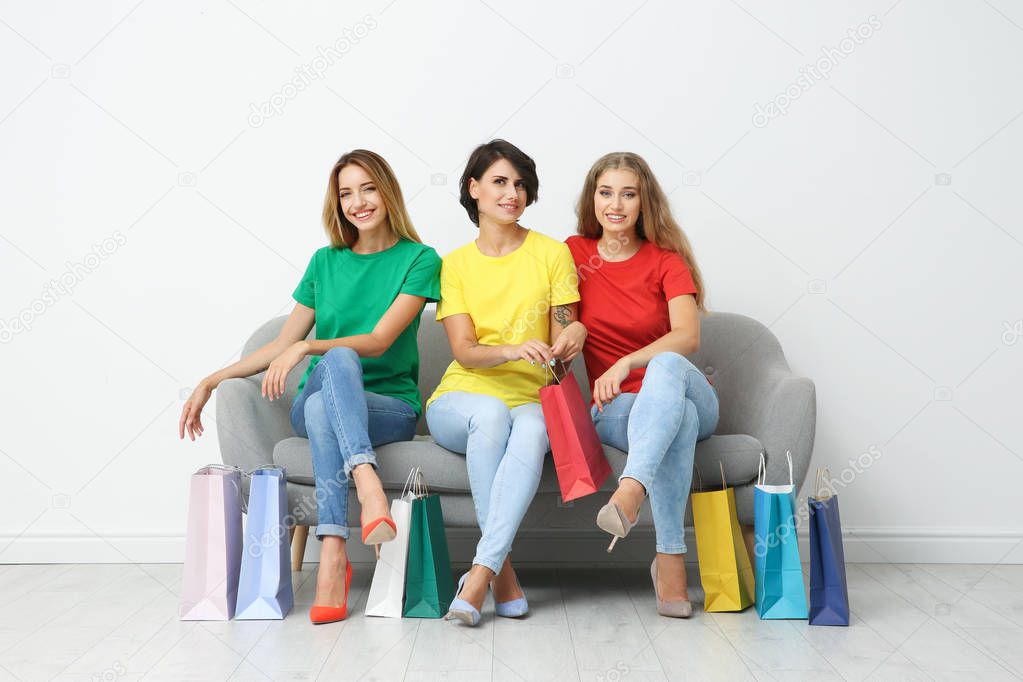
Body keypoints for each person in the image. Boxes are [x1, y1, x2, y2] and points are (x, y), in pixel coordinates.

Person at [179, 149, 440, 624]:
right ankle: (368, 487)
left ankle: (333, 554)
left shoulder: (420, 259)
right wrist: (212, 379)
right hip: (324, 395)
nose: (357, 202)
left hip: (391, 409)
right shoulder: (325, 262)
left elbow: (380, 341)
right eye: (345, 193)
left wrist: (307, 347)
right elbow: (280, 343)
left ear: (387, 192)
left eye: (367, 188)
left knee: (326, 399)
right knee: (334, 367)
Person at [425, 140, 585, 626]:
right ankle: (500, 570)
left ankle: (484, 573)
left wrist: (569, 339)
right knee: (491, 414)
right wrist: (515, 348)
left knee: (534, 429)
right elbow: (464, 351)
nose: (511, 192)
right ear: (473, 189)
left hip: (533, 399)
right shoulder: (453, 264)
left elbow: (559, 364)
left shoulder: (553, 255)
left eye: (519, 184)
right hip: (462, 399)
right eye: (499, 181)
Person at [566, 151, 717, 618]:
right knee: (680, 420)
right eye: (606, 192)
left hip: (681, 387)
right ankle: (670, 559)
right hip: (616, 410)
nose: (616, 204)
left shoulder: (666, 261)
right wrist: (569, 328)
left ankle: (630, 492)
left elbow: (687, 337)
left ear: (643, 201)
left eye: (628, 194)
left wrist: (626, 361)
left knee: (667, 368)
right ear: (592, 199)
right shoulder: (574, 253)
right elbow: (558, 314)